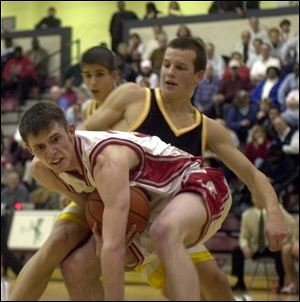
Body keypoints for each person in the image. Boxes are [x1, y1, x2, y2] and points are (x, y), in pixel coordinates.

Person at [17, 101, 287, 301]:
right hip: (146, 203)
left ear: (72, 132)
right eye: (40, 147)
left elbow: (112, 247)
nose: (51, 153)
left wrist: (273, 210)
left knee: (168, 238)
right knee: (75, 267)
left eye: (55, 140)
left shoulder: (107, 160)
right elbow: (92, 206)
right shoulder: (42, 170)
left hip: (192, 184)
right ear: (30, 151)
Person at [231, 203, 294, 292]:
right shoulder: (247, 214)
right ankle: (239, 282)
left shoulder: (276, 211)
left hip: (271, 247)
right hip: (255, 248)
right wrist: (245, 247)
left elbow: (291, 222)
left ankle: (281, 283)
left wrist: (281, 241)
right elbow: (243, 236)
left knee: (281, 251)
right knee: (237, 250)